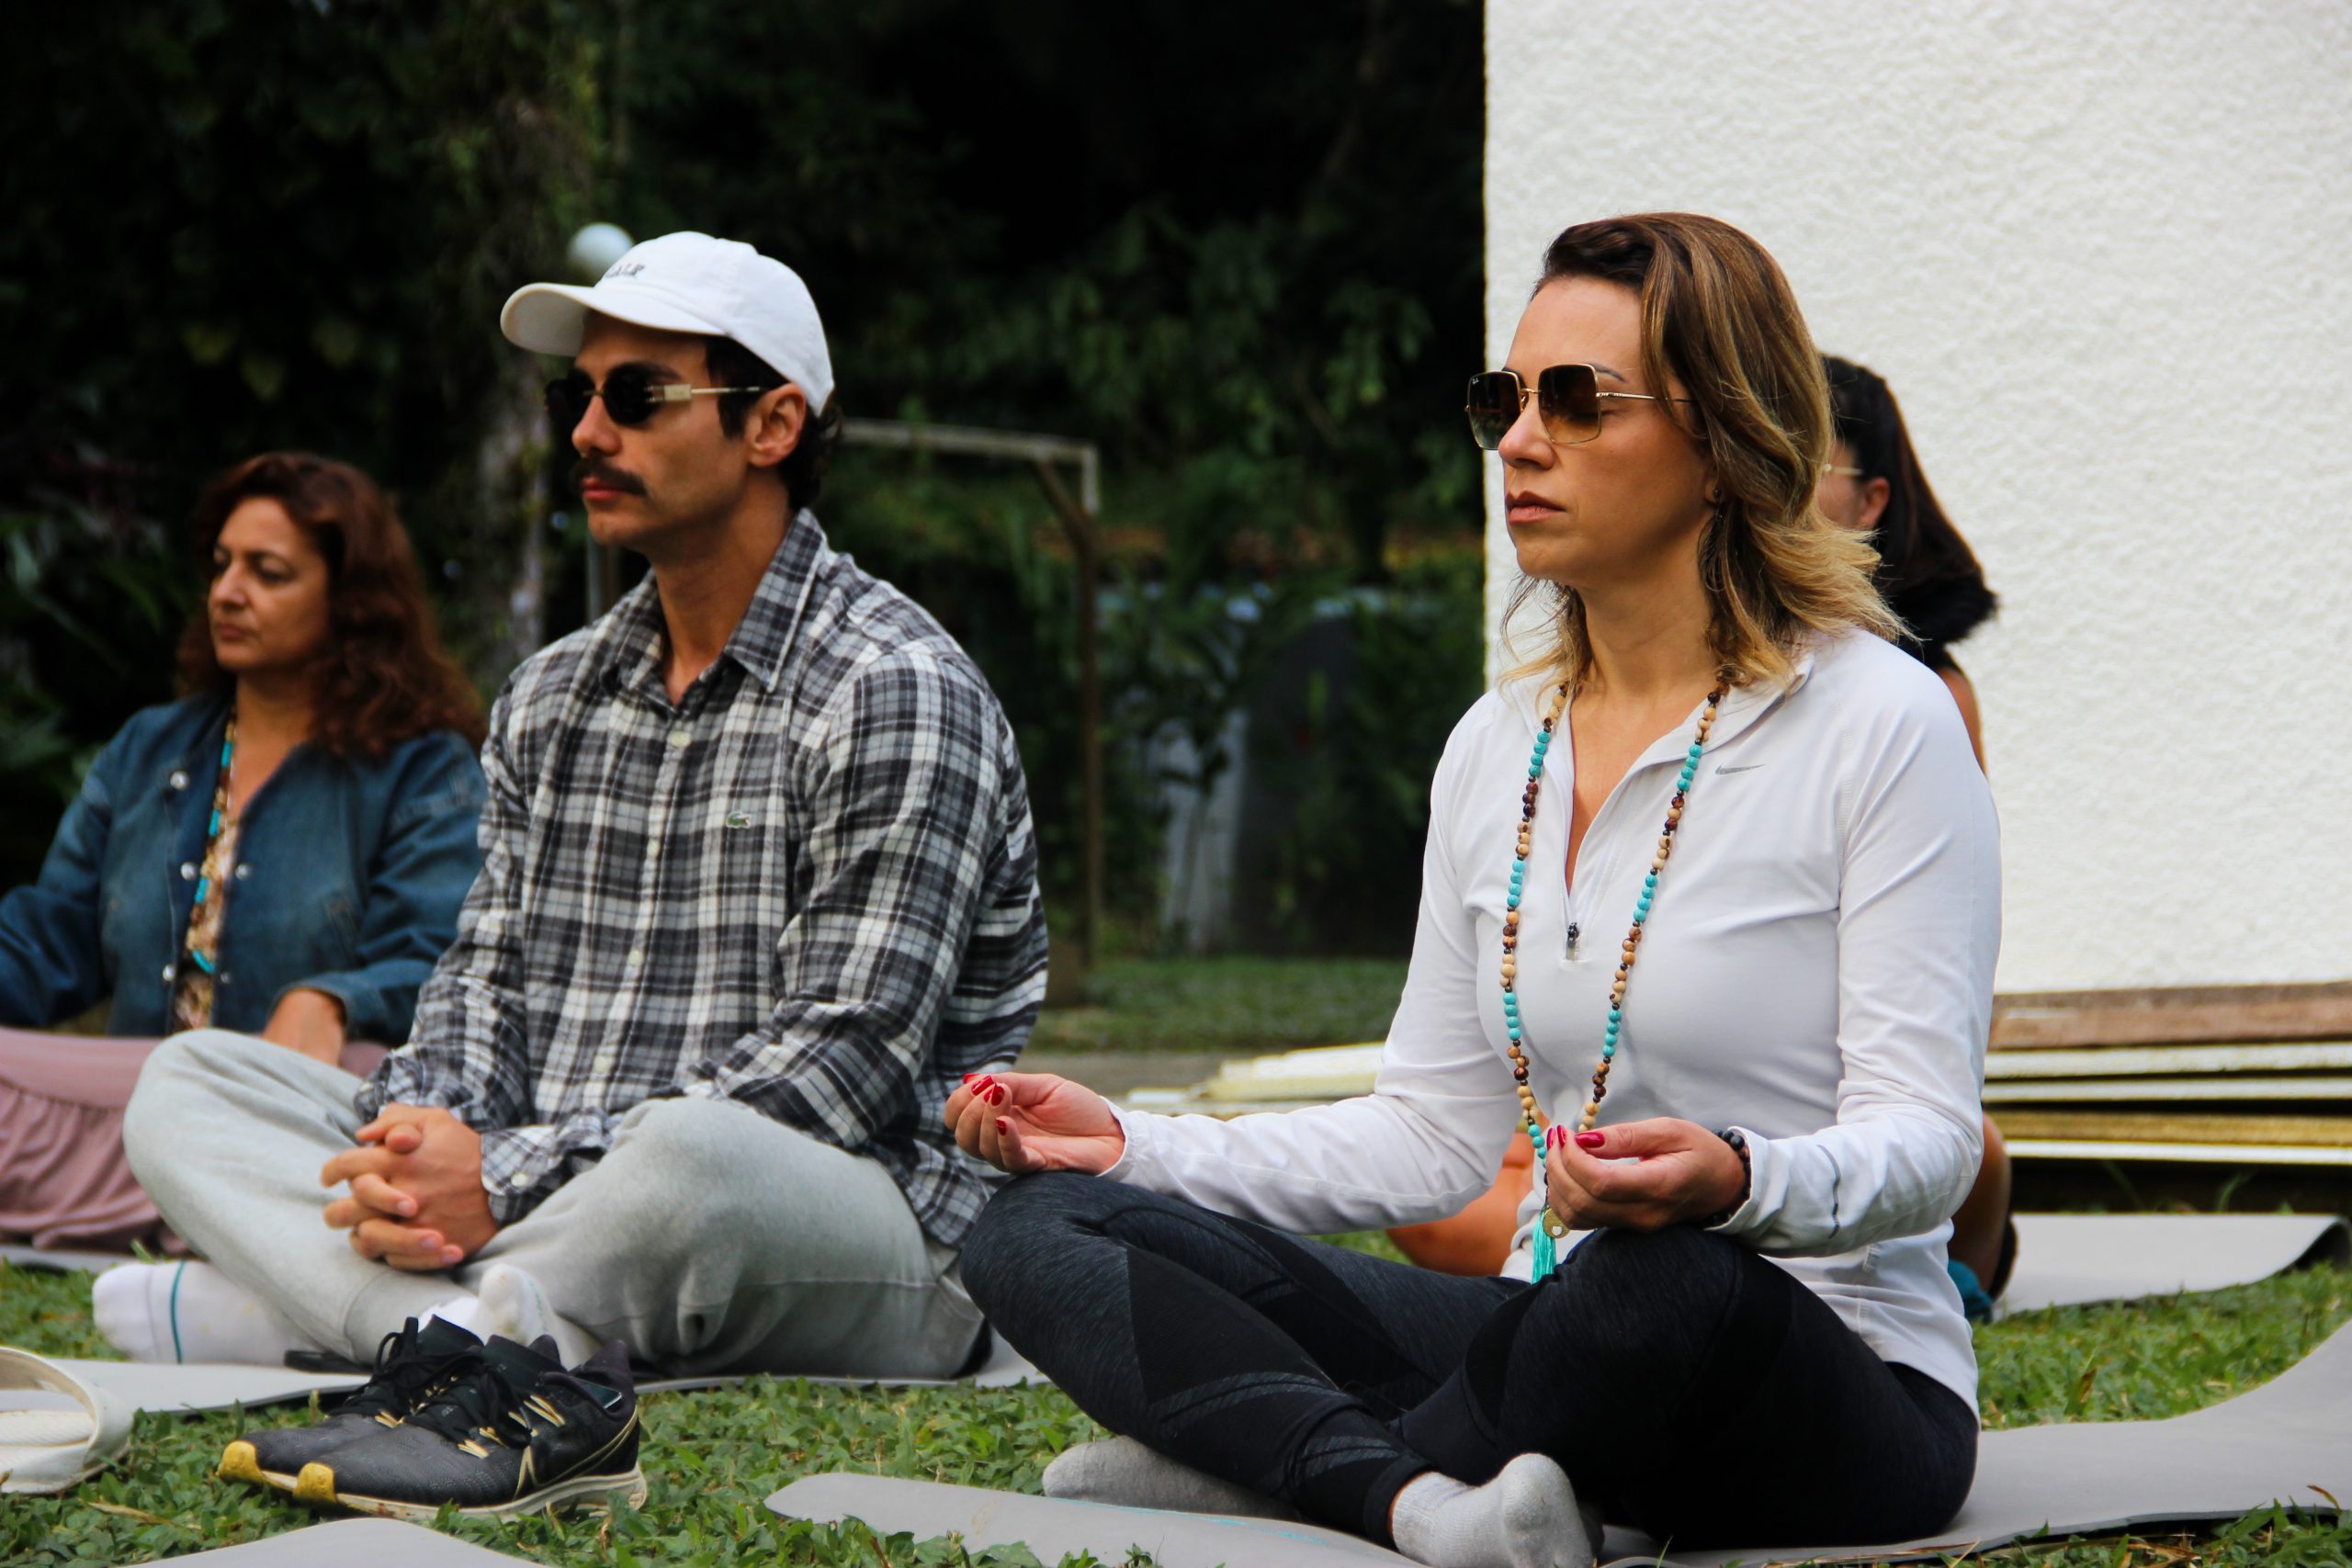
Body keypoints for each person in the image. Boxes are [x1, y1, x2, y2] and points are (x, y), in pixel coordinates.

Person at [946, 213, 1999, 1568]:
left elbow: (1932, 1141)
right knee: (1037, 1226)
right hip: (1539, 1336)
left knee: (1659, 1283)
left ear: (1724, 440)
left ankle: (1284, 1463)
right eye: (1504, 400)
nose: (1519, 441)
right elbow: (1430, 1137)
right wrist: (1130, 1145)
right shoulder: (1497, 744)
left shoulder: (1882, 722)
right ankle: (1416, 1502)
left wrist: (1739, 1179)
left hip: (1828, 1370)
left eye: (1579, 401)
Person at [103, 232, 1048, 1386]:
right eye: (576, 396)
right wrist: (421, 1140)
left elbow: (836, 1072)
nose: (588, 433)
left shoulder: (893, 687)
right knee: (190, 1085)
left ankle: (341, 1313)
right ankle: (474, 1326)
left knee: (695, 1158)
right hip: (547, 1189)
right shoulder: (553, 693)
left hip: (833, 1210)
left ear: (772, 426)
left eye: (637, 397)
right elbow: (482, 980)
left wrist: (502, 1179)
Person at [0, 453, 486, 1253]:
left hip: (297, 1095)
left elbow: (444, 965)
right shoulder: (147, 749)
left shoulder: (422, 768)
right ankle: (199, 1205)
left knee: (382, 1107)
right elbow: (51, 936)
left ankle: (167, 1200)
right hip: (138, 1095)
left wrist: (335, 998)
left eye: (268, 573)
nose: (228, 591)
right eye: (223, 565)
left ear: (349, 600)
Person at [1817, 355, 2013, 1318]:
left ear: (1870, 503)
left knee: (1972, 1152)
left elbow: (1939, 948)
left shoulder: (1918, 698)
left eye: (1802, 464)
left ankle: (1946, 1266)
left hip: (1847, 1097)